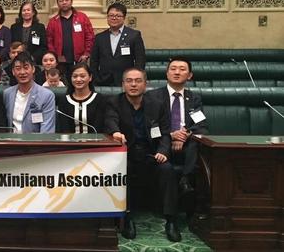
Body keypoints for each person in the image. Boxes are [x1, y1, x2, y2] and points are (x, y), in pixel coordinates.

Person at [105, 68, 180, 242]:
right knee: (122, 170)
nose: (133, 84)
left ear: (145, 84)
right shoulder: (114, 102)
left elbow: (166, 132)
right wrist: (115, 132)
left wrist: (162, 151)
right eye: (129, 81)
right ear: (123, 84)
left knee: (167, 169)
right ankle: (127, 218)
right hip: (127, 154)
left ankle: (171, 220)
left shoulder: (157, 104)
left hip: (151, 154)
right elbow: (110, 120)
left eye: (138, 81)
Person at [146, 57, 208, 195]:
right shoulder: (152, 96)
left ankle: (185, 180)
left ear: (190, 75)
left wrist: (185, 135)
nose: (177, 72)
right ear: (167, 73)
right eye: (173, 69)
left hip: (186, 145)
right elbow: (151, 124)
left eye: (182, 69)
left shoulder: (194, 98)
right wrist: (170, 136)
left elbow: (201, 125)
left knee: (195, 142)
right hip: (160, 144)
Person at [90, 3, 146, 86]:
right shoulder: (99, 37)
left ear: (124, 17)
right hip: (103, 81)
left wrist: (135, 78)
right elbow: (94, 61)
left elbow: (140, 59)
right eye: (111, 15)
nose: (114, 18)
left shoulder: (134, 35)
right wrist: (96, 78)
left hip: (126, 81)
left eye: (118, 16)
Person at [3, 52, 56, 133]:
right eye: (18, 68)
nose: (22, 72)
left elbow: (47, 131)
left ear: (33, 69)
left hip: (34, 143)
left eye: (26, 67)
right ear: (13, 72)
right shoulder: (7, 93)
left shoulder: (46, 95)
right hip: (11, 142)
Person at [46, 0, 94, 69]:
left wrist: (86, 53)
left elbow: (90, 36)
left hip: (79, 60)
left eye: (66, 0)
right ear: (58, 3)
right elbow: (49, 40)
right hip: (60, 62)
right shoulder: (53, 21)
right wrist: (54, 56)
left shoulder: (82, 17)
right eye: (61, 1)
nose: (64, 2)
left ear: (71, 2)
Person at [55, 63, 107, 133]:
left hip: (95, 141)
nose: (78, 79)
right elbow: (64, 129)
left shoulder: (99, 99)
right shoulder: (64, 100)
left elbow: (99, 128)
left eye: (82, 76)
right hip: (70, 142)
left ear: (90, 77)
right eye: (75, 76)